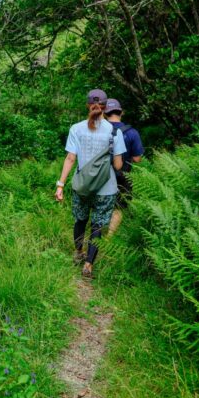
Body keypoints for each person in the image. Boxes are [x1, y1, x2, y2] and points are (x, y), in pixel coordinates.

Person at [55, 89, 126, 279]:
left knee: (80, 219)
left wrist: (60, 184)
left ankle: (78, 253)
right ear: (105, 107)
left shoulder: (76, 129)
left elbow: (71, 158)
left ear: (87, 105)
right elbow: (118, 165)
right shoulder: (114, 131)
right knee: (97, 226)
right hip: (107, 187)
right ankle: (89, 265)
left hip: (82, 186)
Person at [104, 98, 144, 236]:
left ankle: (95, 232)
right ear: (121, 112)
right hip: (123, 175)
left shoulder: (98, 130)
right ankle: (109, 237)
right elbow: (137, 159)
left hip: (99, 173)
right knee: (119, 207)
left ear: (105, 113)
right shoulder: (132, 132)